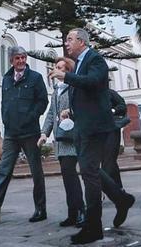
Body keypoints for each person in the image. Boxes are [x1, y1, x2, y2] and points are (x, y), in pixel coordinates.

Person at [49, 28, 135, 245]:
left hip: (96, 127)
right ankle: (121, 198)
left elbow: (95, 82)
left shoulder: (95, 59)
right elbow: (87, 95)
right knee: (91, 170)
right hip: (83, 126)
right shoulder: (79, 62)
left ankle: (93, 226)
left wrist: (66, 76)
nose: (66, 43)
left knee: (88, 173)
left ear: (81, 41)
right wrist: (73, 111)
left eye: (69, 39)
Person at [0, 46, 48, 224]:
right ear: (11, 61)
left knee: (36, 171)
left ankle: (41, 209)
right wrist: (6, 120)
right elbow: (4, 103)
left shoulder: (36, 78)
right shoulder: (7, 79)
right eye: (17, 58)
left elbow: (43, 101)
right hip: (11, 134)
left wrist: (31, 117)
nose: (21, 61)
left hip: (30, 132)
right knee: (4, 171)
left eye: (23, 57)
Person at [40, 56, 86, 228]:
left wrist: (71, 111)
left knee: (71, 175)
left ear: (68, 71)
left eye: (62, 68)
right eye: (56, 67)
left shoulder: (75, 88)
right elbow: (51, 115)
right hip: (61, 140)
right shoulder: (56, 92)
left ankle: (81, 210)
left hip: (73, 138)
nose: (57, 70)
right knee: (67, 177)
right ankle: (72, 213)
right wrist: (44, 133)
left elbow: (83, 108)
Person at [104, 88, 127, 188]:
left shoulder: (110, 93)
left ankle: (105, 188)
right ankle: (119, 187)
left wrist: (113, 110)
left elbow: (122, 106)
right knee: (108, 162)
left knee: (110, 159)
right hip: (97, 131)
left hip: (112, 130)